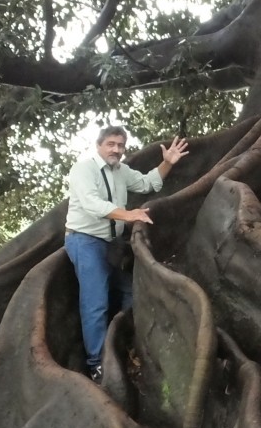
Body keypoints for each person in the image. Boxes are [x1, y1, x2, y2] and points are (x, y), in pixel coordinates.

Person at [64, 126, 188, 382]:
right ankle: (97, 365)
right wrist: (129, 214)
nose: (116, 150)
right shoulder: (84, 169)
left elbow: (146, 183)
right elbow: (92, 204)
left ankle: (123, 343)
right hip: (84, 241)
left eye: (120, 145)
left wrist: (166, 164)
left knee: (131, 291)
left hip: (110, 243)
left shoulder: (121, 171)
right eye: (111, 144)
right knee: (95, 302)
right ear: (99, 145)